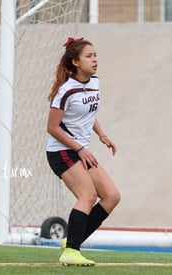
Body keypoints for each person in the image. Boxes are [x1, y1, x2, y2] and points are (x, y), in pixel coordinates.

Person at [46, 37, 121, 266]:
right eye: (89, 56)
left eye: (95, 55)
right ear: (76, 62)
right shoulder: (65, 91)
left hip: (80, 151)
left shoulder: (94, 82)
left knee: (111, 197)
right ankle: (70, 252)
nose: (95, 59)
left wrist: (102, 134)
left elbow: (88, 112)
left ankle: (72, 242)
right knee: (87, 196)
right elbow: (52, 127)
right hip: (62, 151)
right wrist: (80, 148)